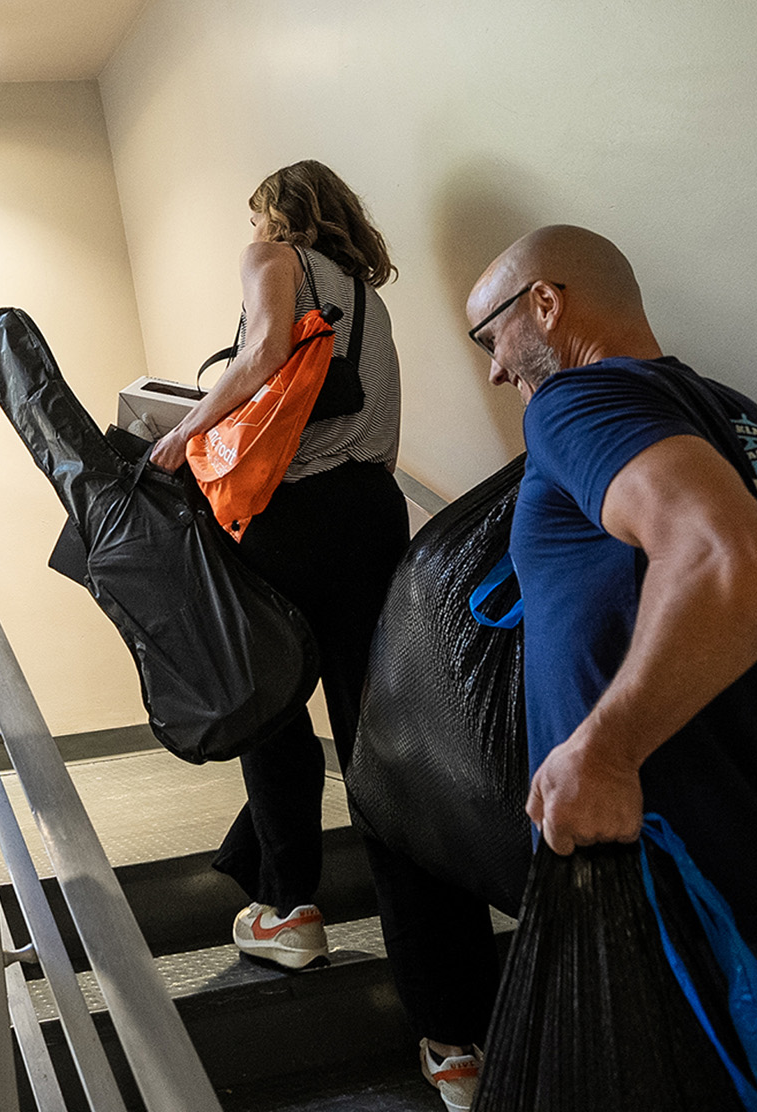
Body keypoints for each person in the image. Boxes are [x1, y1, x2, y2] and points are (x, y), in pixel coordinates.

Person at [470, 224, 757, 1110]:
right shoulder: (748, 423)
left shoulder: (577, 404)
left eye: (491, 337)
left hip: (702, 935)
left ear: (545, 304)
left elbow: (733, 562)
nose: (496, 373)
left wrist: (608, 750)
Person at [150, 162, 498, 1109]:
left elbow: (261, 356)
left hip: (286, 518)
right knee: (384, 753)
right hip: (374, 519)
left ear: (278, 211)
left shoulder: (271, 254)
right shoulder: (371, 304)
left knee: (270, 712)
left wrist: (185, 427)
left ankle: (292, 909)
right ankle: (457, 1039)